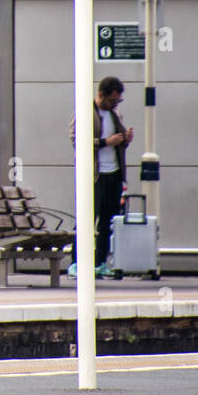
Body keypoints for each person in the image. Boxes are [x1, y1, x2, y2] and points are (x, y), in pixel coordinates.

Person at [67, 75, 132, 279]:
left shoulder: (115, 116)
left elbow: (117, 143)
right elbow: (77, 139)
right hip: (94, 175)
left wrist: (124, 139)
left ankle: (100, 262)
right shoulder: (86, 112)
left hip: (113, 173)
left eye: (117, 101)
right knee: (88, 218)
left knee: (108, 220)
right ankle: (77, 262)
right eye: (112, 100)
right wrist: (106, 142)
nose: (114, 104)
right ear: (101, 95)